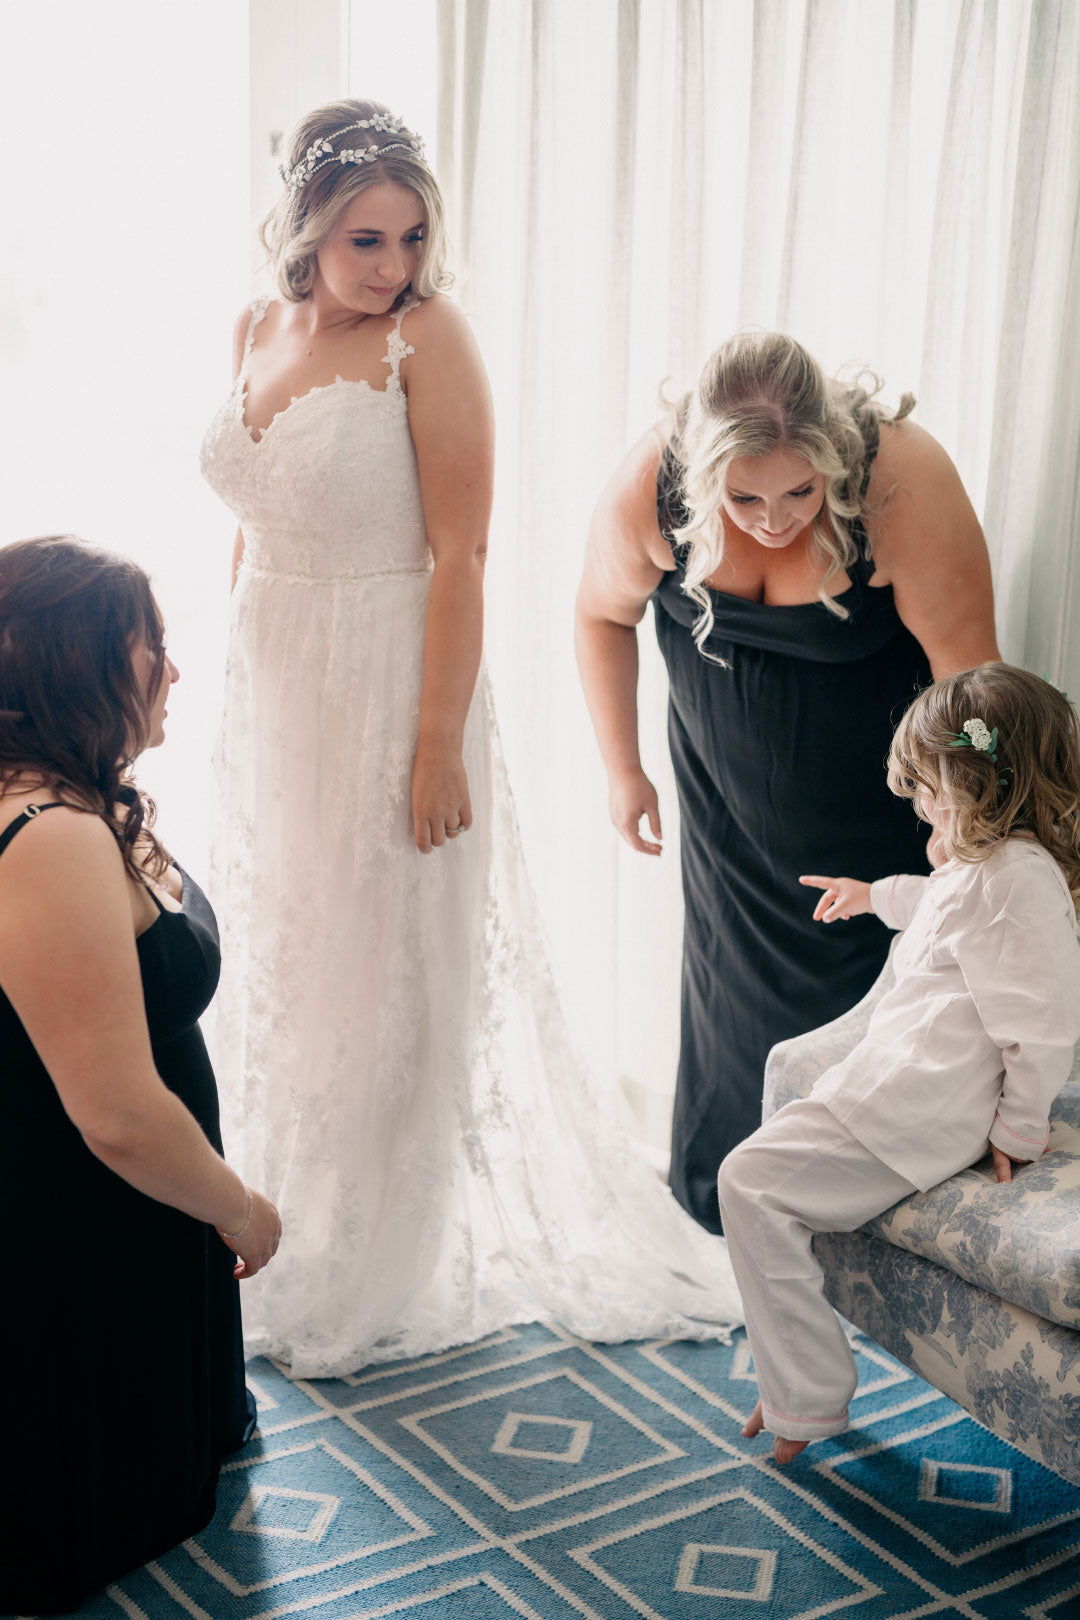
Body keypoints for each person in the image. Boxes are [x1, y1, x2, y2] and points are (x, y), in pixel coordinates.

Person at [201, 97, 740, 1379]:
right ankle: (285, 1216)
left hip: (393, 675)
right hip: (273, 679)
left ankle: (378, 1253)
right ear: (305, 232)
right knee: (297, 957)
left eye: (411, 236)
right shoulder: (253, 327)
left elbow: (466, 552)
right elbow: (253, 514)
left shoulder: (428, 340)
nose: (394, 265)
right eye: (366, 241)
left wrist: (435, 744)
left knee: (389, 966)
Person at [576, 331, 1001, 1233]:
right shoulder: (650, 488)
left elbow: (974, 690)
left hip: (880, 813)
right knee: (734, 1016)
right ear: (702, 473)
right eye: (743, 497)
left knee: (871, 1030)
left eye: (801, 491)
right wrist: (623, 769)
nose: (773, 518)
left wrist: (966, 834)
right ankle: (737, 1224)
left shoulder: (901, 485)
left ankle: (861, 1234)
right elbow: (599, 613)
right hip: (726, 815)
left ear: (835, 460)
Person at [0, 535, 281, 1617]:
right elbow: (116, 1113)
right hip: (77, 1232)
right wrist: (242, 1212)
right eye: (149, 648)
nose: (174, 670)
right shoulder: (49, 834)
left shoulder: (57, 797)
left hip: (102, 1214)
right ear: (77, 662)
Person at [716, 663, 1080, 1463]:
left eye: (930, 787)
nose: (920, 803)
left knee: (748, 1184)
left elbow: (1041, 1027)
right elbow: (942, 905)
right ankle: (795, 1382)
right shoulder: (992, 869)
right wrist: (873, 894)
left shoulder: (1018, 879)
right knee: (755, 1181)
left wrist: (1019, 1134)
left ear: (979, 781)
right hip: (895, 1093)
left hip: (909, 1110)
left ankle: (803, 1399)